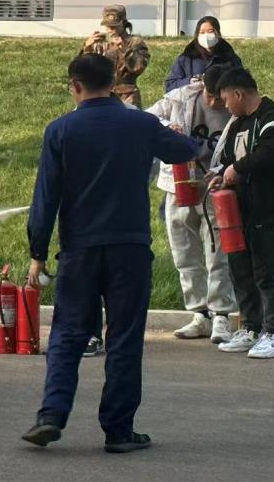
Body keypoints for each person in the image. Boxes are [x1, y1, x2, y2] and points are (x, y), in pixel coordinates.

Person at [21, 53, 199, 453]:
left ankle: (51, 415)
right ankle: (118, 430)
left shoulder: (60, 130)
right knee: (124, 337)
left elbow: (45, 198)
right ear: (114, 83)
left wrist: (38, 252)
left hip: (79, 250)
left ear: (75, 86)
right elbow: (183, 150)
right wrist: (179, 133)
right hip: (129, 248)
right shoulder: (141, 124)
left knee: (68, 334)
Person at [209, 67, 274, 359]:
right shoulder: (237, 125)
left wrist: (238, 168)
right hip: (240, 213)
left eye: (226, 99)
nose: (225, 106)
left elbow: (272, 152)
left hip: (271, 209)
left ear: (238, 94)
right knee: (241, 271)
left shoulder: (273, 119)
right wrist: (221, 176)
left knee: (268, 271)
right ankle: (250, 326)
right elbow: (227, 160)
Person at [146, 61, 235, 344]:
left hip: (215, 188)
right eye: (210, 95)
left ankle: (221, 314)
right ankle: (200, 313)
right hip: (179, 184)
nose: (215, 102)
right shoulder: (181, 99)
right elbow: (146, 118)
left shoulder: (235, 108)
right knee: (184, 252)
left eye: (220, 98)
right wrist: (166, 128)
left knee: (218, 252)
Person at [79, 5, 150, 108]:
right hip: (102, 94)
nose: (111, 29)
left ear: (123, 22)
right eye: (108, 26)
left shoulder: (135, 42)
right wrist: (87, 47)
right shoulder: (100, 42)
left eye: (115, 25)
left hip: (127, 95)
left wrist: (124, 48)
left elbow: (138, 67)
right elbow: (82, 70)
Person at [164, 16, 243, 92]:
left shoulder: (230, 57)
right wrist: (190, 81)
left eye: (210, 31)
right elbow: (170, 86)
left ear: (218, 33)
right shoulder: (186, 58)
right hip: (192, 100)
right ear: (197, 35)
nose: (206, 36)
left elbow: (242, 83)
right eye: (202, 32)